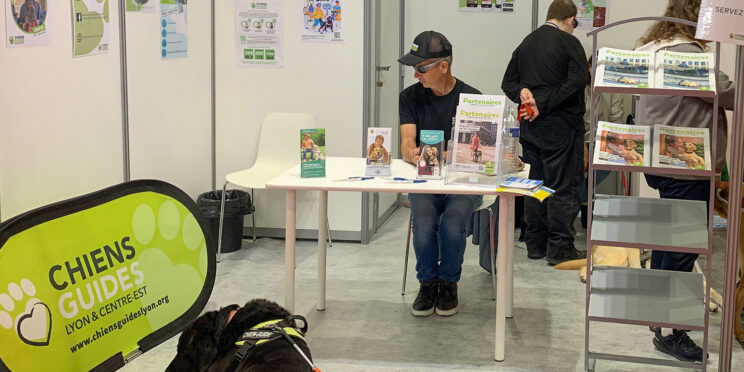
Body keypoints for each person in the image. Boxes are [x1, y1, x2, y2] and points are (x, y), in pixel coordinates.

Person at [634, 0, 735, 363]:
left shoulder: (651, 49)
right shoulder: (688, 55)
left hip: (659, 162)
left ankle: (658, 318)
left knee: (667, 240)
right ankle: (671, 332)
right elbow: (728, 92)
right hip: (685, 166)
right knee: (681, 249)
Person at [398, 30, 482, 317]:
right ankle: (427, 283)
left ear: (443, 66)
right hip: (426, 180)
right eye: (413, 68)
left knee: (453, 221)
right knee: (422, 220)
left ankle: (448, 283)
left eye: (421, 68)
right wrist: (430, 154)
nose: (415, 75)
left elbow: (475, 153)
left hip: (464, 181)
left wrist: (435, 154)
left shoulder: (473, 99)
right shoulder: (409, 98)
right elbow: (407, 146)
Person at [501, 0, 588, 265]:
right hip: (562, 126)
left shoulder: (526, 43)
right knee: (561, 186)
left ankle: (535, 243)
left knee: (535, 185)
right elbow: (578, 80)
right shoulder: (569, 42)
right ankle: (560, 247)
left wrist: (523, 94)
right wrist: (545, 102)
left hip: (531, 126)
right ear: (571, 19)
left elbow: (508, 82)